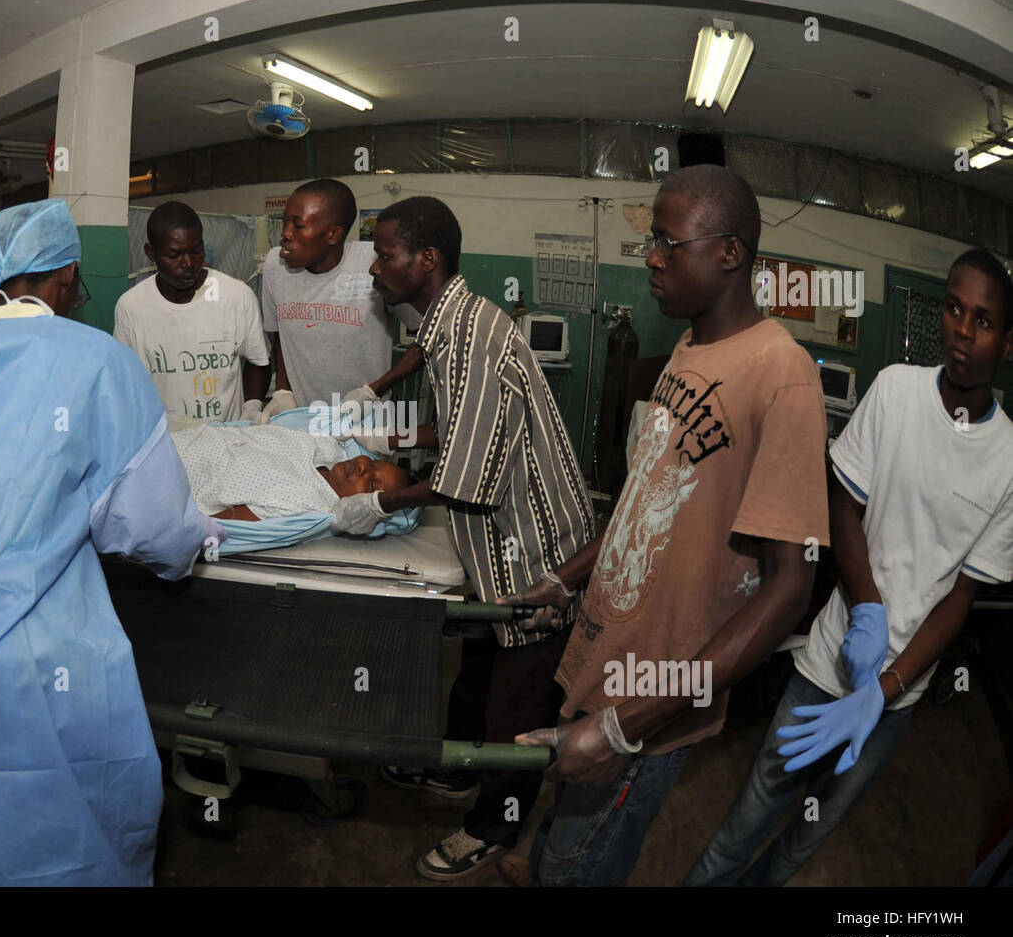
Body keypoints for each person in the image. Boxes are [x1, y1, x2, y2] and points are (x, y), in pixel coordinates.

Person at [0, 199, 222, 887]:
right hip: (33, 668)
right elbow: (150, 526)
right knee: (73, 843)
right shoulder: (97, 361)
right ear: (65, 273)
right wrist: (195, 540)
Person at [500, 164, 829, 887]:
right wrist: (568, 577)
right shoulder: (688, 350)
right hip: (600, 654)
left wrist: (626, 727)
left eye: (667, 242)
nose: (650, 255)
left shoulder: (784, 375)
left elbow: (788, 590)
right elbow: (645, 496)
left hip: (649, 702)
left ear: (730, 253)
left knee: (578, 868)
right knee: (560, 833)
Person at [685, 248, 1013, 886]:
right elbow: (844, 506)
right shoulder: (894, 390)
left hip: (895, 696)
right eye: (953, 308)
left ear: (1008, 337)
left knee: (806, 839)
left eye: (984, 320)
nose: (963, 332)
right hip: (827, 665)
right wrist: (867, 609)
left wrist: (885, 693)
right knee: (749, 818)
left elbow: (962, 597)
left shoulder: (1009, 460)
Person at [331, 195, 597, 879]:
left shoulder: (473, 340)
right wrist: (389, 433)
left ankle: (491, 828)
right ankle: (455, 771)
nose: (374, 269)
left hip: (535, 557)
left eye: (385, 254)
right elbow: (460, 430)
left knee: (518, 707)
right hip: (494, 549)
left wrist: (376, 503)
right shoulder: (452, 329)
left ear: (427, 259)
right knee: (476, 677)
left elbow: (465, 482)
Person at [260, 178, 420, 418]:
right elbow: (280, 335)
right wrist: (283, 390)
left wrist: (373, 391)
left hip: (364, 419)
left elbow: (429, 336)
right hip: (303, 417)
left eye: (298, 226)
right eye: (285, 222)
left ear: (333, 235)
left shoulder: (374, 263)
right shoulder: (275, 266)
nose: (285, 234)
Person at [114, 201, 269, 422]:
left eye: (196, 251)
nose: (188, 263)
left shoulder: (237, 296)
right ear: (151, 252)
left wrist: (252, 405)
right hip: (165, 439)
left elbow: (258, 361)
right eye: (174, 255)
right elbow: (125, 381)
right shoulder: (131, 307)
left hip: (226, 437)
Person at [168, 417, 409, 521]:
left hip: (171, 473)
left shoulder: (308, 505)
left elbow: (221, 524)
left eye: (371, 483)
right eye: (375, 463)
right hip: (181, 436)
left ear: (361, 508)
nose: (363, 465)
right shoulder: (328, 447)